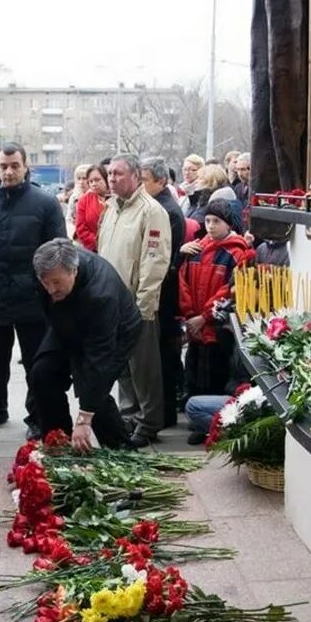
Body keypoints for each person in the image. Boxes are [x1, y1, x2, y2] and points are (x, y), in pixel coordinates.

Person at [0, 142, 66, 435]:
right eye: (3, 166)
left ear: (26, 166)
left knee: (35, 362)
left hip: (33, 298)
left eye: (15, 165)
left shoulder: (45, 203)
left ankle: (36, 417)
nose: (9, 171)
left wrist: (52, 290)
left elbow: (58, 249)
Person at [30, 239, 139, 450]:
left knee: (92, 384)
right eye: (46, 283)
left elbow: (99, 361)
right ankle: (57, 442)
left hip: (114, 330)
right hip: (66, 318)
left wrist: (84, 418)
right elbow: (46, 298)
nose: (50, 289)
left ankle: (122, 451)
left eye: (56, 282)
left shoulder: (101, 295)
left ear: (74, 271)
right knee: (42, 373)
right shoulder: (46, 269)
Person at [96, 154, 171, 447]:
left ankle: (149, 423)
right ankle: (128, 414)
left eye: (118, 173)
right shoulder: (111, 208)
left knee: (144, 367)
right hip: (110, 303)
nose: (112, 179)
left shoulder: (151, 211)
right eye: (109, 174)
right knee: (123, 366)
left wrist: (144, 305)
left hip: (136, 304)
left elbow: (154, 261)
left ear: (136, 175)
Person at [179, 200, 252, 397]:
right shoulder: (196, 249)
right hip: (195, 324)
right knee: (194, 371)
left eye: (216, 221)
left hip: (218, 328)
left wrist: (204, 317)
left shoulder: (237, 253)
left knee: (216, 374)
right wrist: (190, 315)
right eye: (208, 220)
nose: (210, 226)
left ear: (229, 224)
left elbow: (228, 290)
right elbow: (183, 282)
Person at [139, 157, 186, 429]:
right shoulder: (157, 206)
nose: (141, 186)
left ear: (161, 181)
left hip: (163, 294)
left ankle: (165, 413)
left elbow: (162, 258)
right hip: (161, 292)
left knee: (164, 356)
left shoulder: (165, 210)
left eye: (144, 180)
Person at [73, 164, 109, 252]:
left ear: (106, 179)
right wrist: (98, 242)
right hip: (92, 249)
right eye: (91, 181)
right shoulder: (84, 200)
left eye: (97, 180)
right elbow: (81, 228)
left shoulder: (116, 198)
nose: (94, 184)